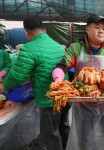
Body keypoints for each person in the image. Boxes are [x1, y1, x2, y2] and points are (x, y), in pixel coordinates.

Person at [52, 14, 104, 150]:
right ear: (87, 29)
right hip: (83, 106)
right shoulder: (76, 48)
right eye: (97, 27)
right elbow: (62, 65)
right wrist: (58, 80)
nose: (101, 31)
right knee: (85, 139)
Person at [1, 18, 69, 150]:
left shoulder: (29, 49)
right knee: (63, 128)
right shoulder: (58, 46)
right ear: (44, 29)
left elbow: (17, 76)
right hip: (65, 97)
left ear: (26, 32)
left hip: (49, 100)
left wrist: (5, 88)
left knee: (51, 135)